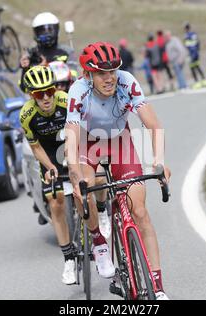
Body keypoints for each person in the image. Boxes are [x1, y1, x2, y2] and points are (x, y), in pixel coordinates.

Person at [65, 41, 171, 300]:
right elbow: (71, 135)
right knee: (84, 190)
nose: (109, 77)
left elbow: (153, 124)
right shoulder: (78, 91)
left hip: (119, 141)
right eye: (102, 72)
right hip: (87, 142)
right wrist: (75, 172)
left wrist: (158, 160)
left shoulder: (127, 82)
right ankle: (99, 242)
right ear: (88, 74)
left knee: (140, 211)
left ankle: (157, 288)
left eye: (112, 71)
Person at [19, 65, 76, 285]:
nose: (46, 98)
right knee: (55, 202)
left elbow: (76, 132)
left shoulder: (65, 101)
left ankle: (96, 238)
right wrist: (50, 166)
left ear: (55, 89)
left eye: (49, 91)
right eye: (39, 94)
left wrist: (71, 158)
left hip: (69, 143)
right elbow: (35, 148)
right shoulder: (26, 115)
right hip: (47, 153)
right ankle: (68, 258)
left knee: (83, 189)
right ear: (31, 96)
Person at [19, 12, 75, 92]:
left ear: (57, 30)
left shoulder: (67, 51)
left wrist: (46, 67)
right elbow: (24, 89)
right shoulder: (31, 54)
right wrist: (25, 69)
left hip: (65, 99)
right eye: (41, 31)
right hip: (41, 100)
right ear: (36, 33)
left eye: (50, 30)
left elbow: (73, 80)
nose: (46, 34)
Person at [183, 23, 206, 88]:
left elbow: (187, 45)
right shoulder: (194, 34)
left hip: (192, 54)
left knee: (192, 68)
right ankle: (204, 79)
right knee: (197, 66)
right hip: (196, 53)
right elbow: (198, 43)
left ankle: (197, 82)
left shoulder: (186, 36)